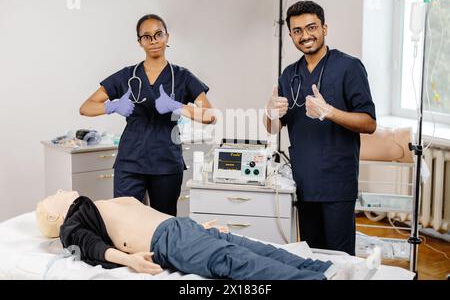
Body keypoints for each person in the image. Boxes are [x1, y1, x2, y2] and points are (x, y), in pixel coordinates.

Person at [35, 190, 379, 280]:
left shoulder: (100, 202)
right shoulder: (72, 223)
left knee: (251, 246)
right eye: (57, 193)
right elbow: (92, 246)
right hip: (166, 243)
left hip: (180, 228)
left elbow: (153, 213)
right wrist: (129, 261)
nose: (64, 188)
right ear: (55, 214)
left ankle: (323, 269)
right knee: (234, 262)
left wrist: (200, 227)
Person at [264, 1, 377, 255]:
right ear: (291, 34)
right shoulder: (289, 74)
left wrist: (330, 112)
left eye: (311, 27)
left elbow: (369, 123)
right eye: (297, 31)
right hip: (304, 182)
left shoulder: (349, 67)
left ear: (324, 28)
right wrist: (270, 112)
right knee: (313, 257)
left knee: (341, 258)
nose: (305, 36)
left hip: (337, 182)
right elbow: (273, 128)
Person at [79, 14, 215, 216]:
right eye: (147, 36)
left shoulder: (182, 76)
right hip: (130, 161)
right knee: (125, 220)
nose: (153, 41)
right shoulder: (127, 75)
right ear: (140, 42)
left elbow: (209, 115)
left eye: (158, 34)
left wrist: (177, 106)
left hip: (166, 163)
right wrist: (113, 106)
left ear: (167, 37)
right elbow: (86, 107)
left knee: (163, 224)